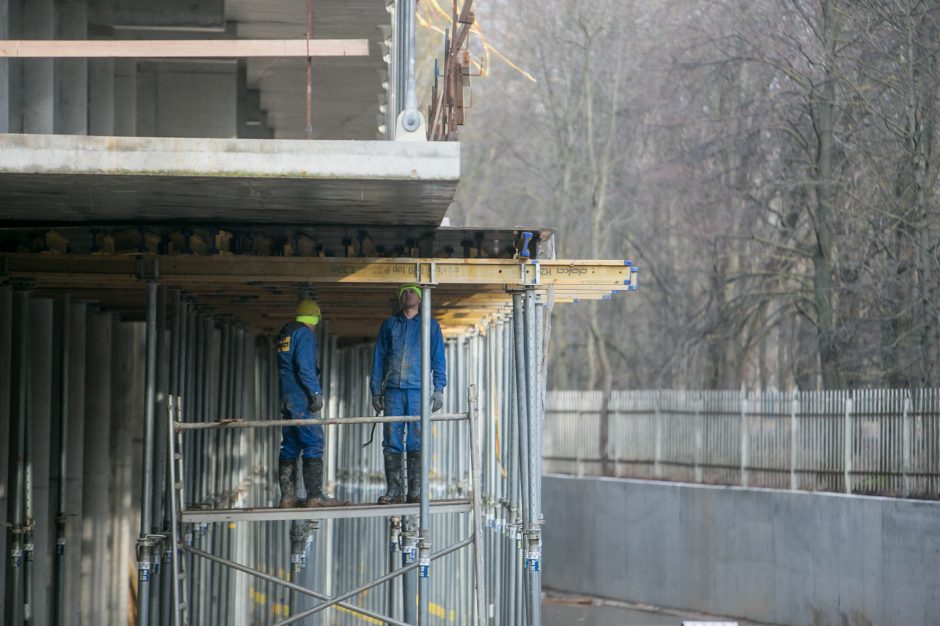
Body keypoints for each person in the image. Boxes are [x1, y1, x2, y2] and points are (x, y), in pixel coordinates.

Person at [370, 284, 446, 504]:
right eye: (404, 292)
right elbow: (379, 358)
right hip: (393, 390)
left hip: (418, 391)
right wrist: (376, 391)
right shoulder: (390, 325)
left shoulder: (430, 326)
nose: (408, 294)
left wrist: (438, 388)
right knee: (391, 441)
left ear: (421, 298)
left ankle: (415, 491)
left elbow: (438, 358)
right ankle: (394, 491)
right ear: (400, 298)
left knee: (417, 441)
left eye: (413, 291)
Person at [276, 298, 343, 508]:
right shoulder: (304, 333)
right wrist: (315, 392)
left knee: (290, 445)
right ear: (315, 319)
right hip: (301, 396)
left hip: (287, 396)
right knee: (313, 443)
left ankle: (287, 497)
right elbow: (305, 366)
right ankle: (315, 496)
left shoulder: (286, 333)